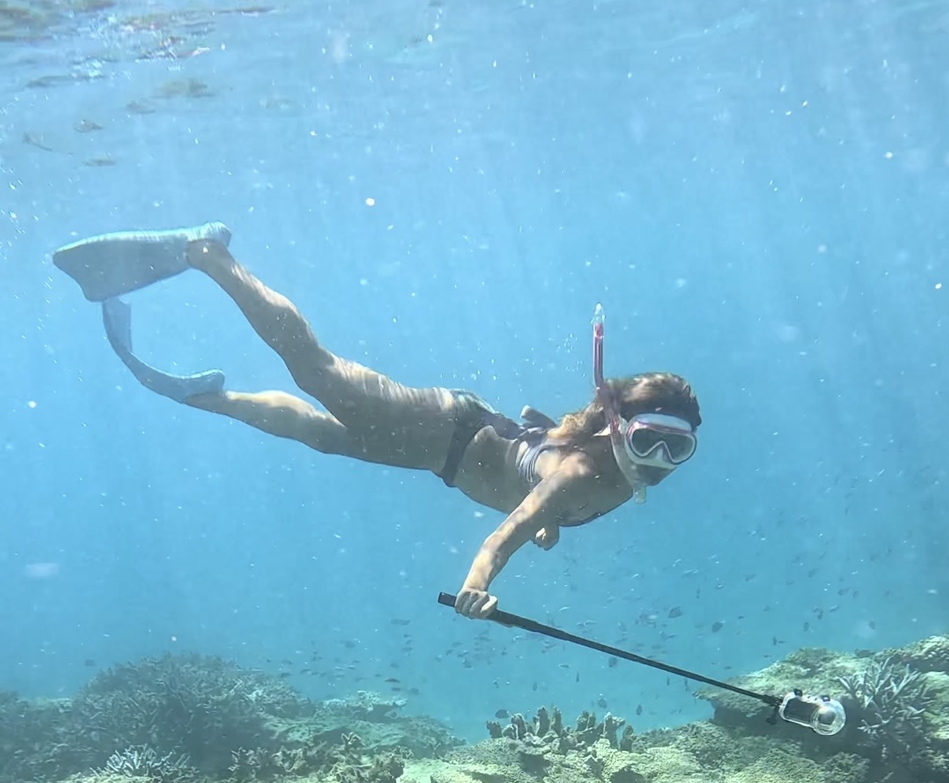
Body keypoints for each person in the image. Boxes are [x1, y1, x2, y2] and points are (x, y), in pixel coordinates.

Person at [53, 223, 701, 618]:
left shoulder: (622, 477)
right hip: (448, 429)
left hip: (442, 458)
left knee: (324, 436)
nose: (658, 464)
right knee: (318, 373)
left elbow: (540, 505)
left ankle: (209, 398)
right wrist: (475, 586)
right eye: (649, 442)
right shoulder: (584, 472)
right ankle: (209, 254)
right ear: (617, 426)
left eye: (678, 451)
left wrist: (550, 527)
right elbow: (503, 537)